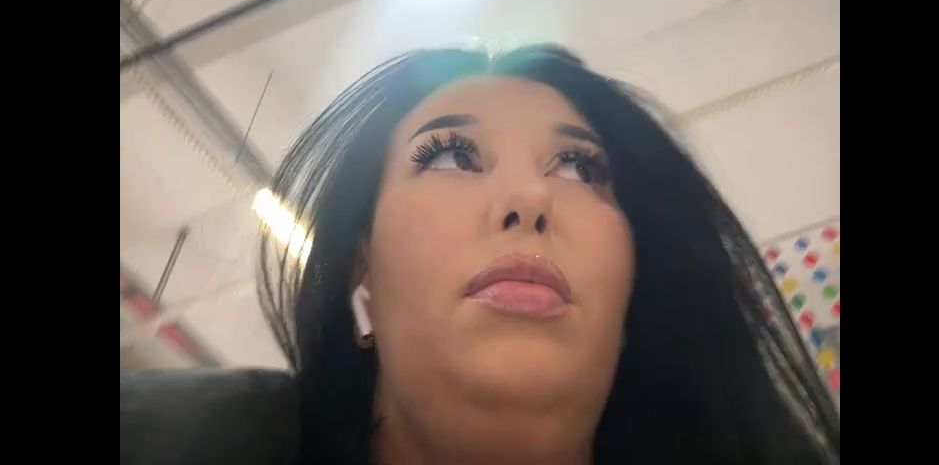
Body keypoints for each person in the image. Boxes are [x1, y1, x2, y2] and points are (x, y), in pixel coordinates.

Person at [257, 45, 840, 464]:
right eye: (452, 156)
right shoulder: (215, 437)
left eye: (579, 168)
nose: (530, 198)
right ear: (361, 261)